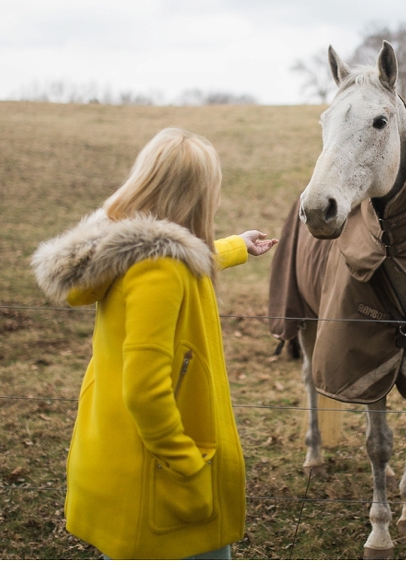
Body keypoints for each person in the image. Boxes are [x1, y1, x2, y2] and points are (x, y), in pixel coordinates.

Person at [32, 127, 277, 560]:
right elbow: (146, 389)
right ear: (196, 194)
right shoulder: (159, 267)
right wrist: (187, 465)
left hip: (118, 456)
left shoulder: (126, 252)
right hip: (160, 478)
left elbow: (178, 258)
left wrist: (236, 247)